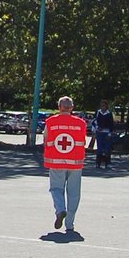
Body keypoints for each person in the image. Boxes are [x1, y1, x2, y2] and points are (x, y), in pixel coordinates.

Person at [44, 96, 87, 235]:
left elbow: (46, 140)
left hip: (56, 161)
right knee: (74, 193)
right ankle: (69, 224)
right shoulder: (81, 123)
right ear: (72, 108)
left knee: (56, 188)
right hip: (75, 162)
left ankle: (60, 210)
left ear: (59, 107)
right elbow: (83, 141)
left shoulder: (51, 122)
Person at [93, 100, 115, 170]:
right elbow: (94, 122)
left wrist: (109, 133)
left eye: (104, 106)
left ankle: (107, 163)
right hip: (99, 133)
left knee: (107, 149)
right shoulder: (98, 112)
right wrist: (96, 128)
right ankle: (98, 163)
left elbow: (111, 124)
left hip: (107, 132)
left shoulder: (109, 113)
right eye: (101, 106)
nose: (102, 107)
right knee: (99, 148)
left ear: (106, 106)